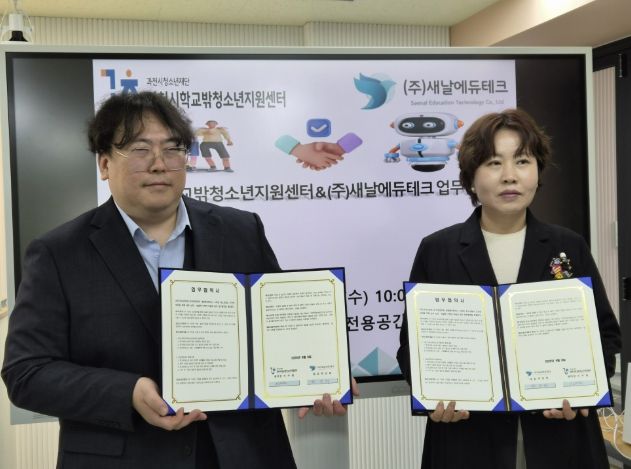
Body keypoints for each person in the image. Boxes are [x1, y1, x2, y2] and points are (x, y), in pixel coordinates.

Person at [2, 91, 352, 469]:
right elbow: (26, 373)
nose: (159, 165)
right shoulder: (59, 253)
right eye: (139, 150)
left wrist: (320, 373)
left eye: (172, 149)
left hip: (242, 452)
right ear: (104, 163)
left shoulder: (240, 230)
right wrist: (128, 392)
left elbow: (281, 331)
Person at [396, 108, 621, 469]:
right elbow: (413, 346)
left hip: (560, 436)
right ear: (471, 178)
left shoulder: (568, 246)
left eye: (522, 161)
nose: (510, 176)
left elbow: (605, 334)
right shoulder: (438, 250)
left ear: (538, 172)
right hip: (468, 436)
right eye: (493, 163)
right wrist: (432, 397)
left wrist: (585, 392)